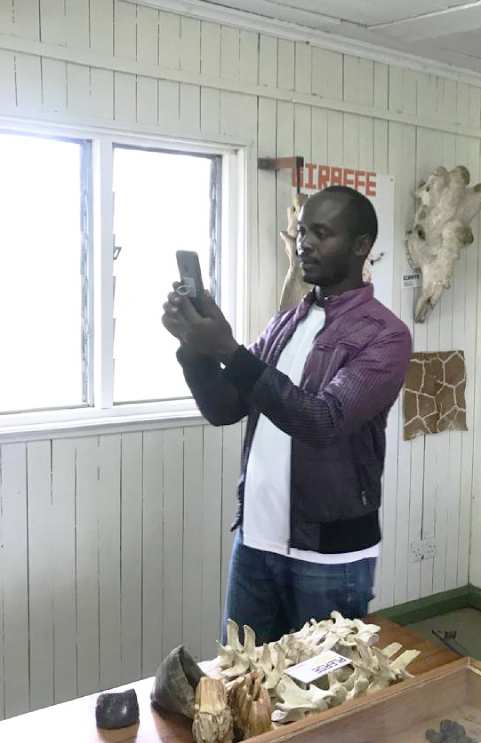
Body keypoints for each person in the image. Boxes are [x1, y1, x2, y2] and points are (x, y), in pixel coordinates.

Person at [161, 186, 412, 643]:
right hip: (254, 541)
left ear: (360, 246)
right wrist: (195, 350)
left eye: (321, 233)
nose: (304, 244)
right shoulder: (285, 323)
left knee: (323, 693)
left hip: (329, 558)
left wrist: (229, 349)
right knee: (244, 686)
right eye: (301, 232)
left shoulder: (386, 336)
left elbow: (322, 421)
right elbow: (224, 408)